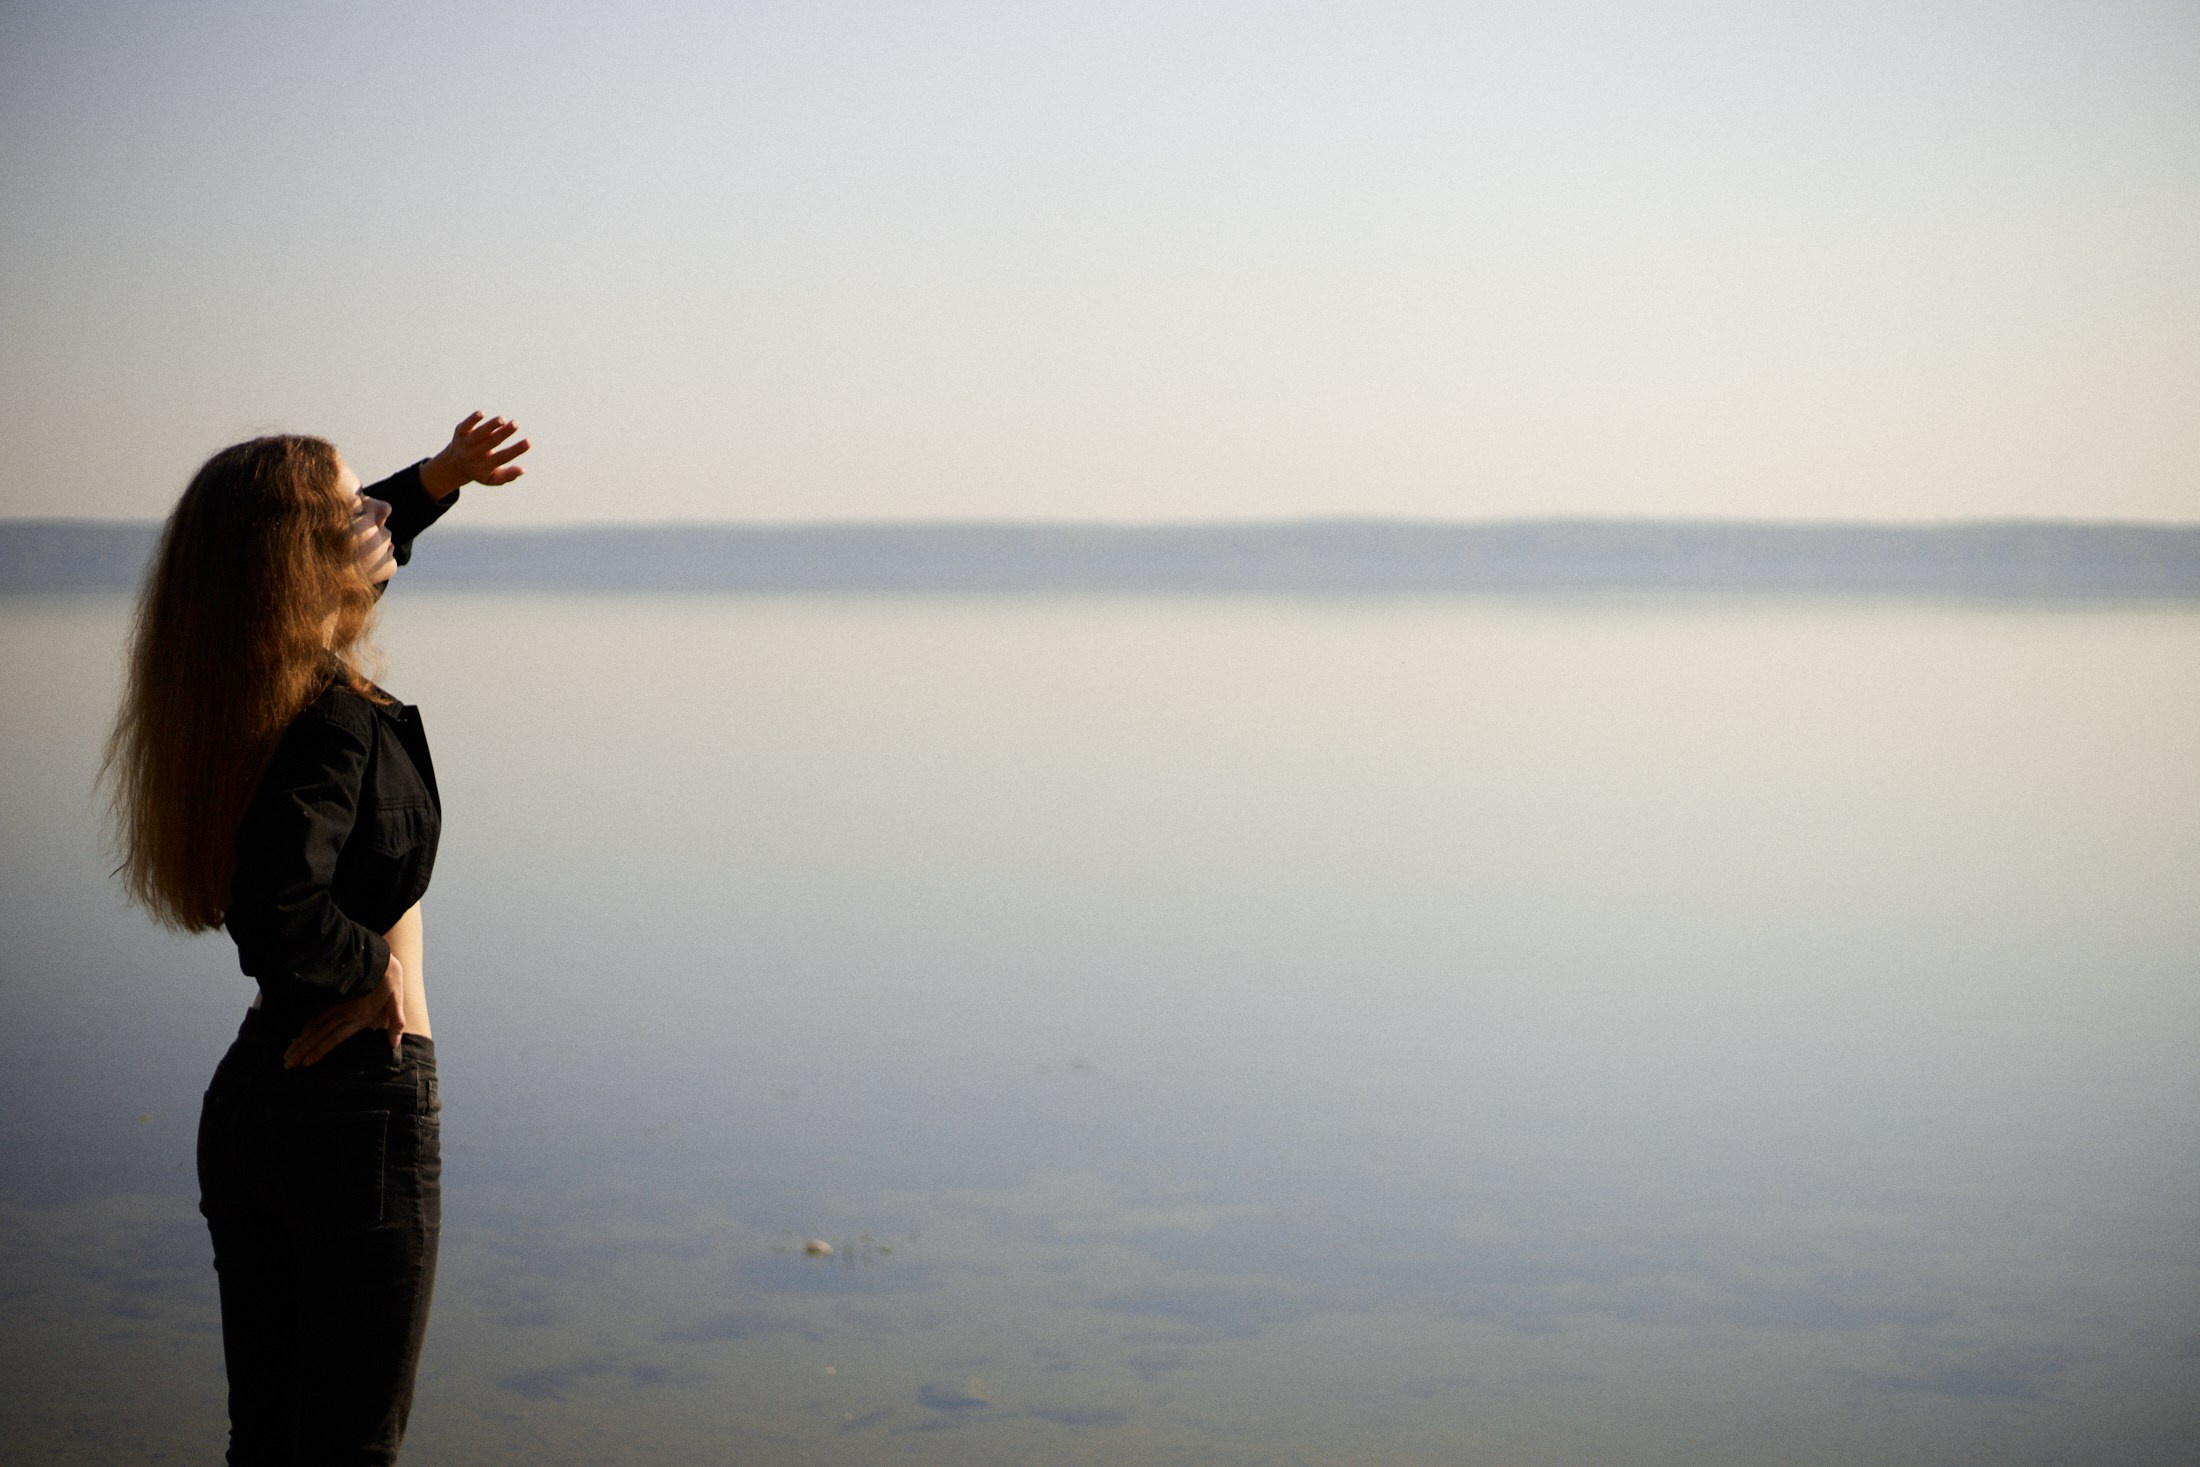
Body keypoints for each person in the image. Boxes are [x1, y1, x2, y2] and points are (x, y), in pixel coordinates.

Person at [104, 413, 530, 1465]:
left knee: (272, 1444)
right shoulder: (329, 716)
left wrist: (436, 479)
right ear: (307, 558)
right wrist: (374, 975)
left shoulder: (250, 684)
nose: (375, 518)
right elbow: (278, 900)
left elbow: (349, 543)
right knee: (348, 1450)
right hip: (358, 1109)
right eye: (354, 510)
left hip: (257, 1103)